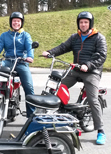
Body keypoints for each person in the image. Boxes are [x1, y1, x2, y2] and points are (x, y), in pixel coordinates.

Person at [42, 11, 107, 145]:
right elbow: (63, 47)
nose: (83, 25)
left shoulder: (99, 37)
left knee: (92, 99)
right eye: (81, 22)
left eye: (86, 22)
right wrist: (50, 52)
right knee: (58, 87)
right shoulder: (75, 37)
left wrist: (88, 65)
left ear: (90, 24)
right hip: (75, 70)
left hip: (91, 72)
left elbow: (101, 55)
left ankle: (100, 131)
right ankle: (62, 116)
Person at [0, 12, 35, 117]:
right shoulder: (5, 35)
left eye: (18, 21)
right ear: (11, 22)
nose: (16, 23)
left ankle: (31, 115)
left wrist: (30, 57)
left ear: (21, 23)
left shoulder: (25, 35)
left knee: (29, 87)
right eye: (14, 21)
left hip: (21, 62)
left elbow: (29, 47)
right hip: (8, 60)